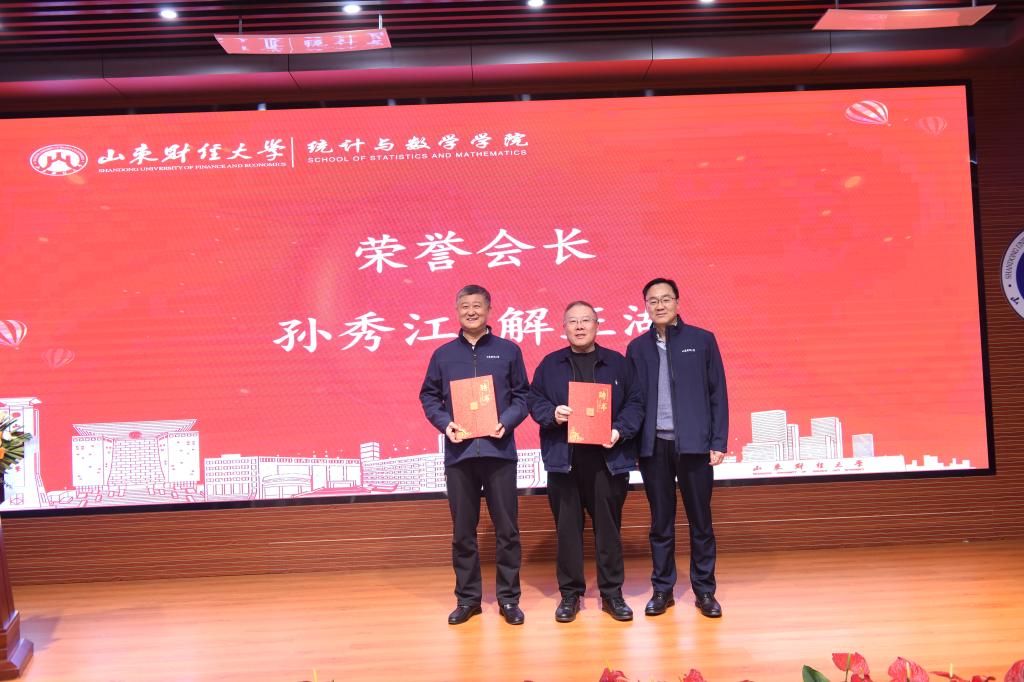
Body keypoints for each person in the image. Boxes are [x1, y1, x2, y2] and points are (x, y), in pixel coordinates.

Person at [419, 284, 530, 626]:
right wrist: (445, 424)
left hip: (499, 452)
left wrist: (506, 422)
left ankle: (508, 599)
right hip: (460, 454)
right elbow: (428, 397)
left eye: (477, 305)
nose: (471, 311)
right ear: (457, 311)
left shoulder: (508, 351)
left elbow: (523, 396)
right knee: (463, 532)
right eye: (465, 306)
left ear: (489, 310)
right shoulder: (443, 355)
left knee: (507, 531)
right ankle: (468, 600)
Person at [529, 301, 645, 622]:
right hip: (564, 460)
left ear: (597, 325)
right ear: (563, 328)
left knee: (609, 530)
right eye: (572, 322)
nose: (579, 327)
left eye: (585, 321)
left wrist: (619, 430)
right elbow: (533, 399)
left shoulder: (617, 363)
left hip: (607, 459)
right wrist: (552, 413)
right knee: (568, 531)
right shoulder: (550, 364)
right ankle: (570, 595)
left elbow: (636, 403)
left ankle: (612, 594)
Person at [625, 277, 729, 619]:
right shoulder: (637, 348)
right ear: (645, 306)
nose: (659, 305)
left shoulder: (702, 340)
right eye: (652, 300)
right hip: (654, 447)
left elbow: (717, 393)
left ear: (677, 303)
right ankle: (662, 590)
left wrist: (718, 441)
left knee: (701, 522)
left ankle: (705, 591)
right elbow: (632, 400)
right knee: (661, 523)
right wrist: (634, 445)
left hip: (695, 447)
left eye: (665, 299)